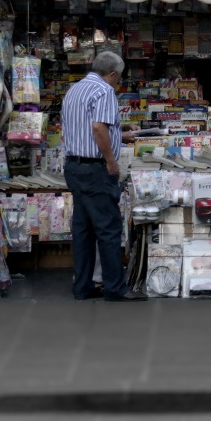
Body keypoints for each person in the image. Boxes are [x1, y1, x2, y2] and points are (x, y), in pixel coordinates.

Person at [61, 51, 145, 301]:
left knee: (83, 229)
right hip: (95, 169)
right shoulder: (104, 90)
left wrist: (121, 132)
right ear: (111, 74)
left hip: (74, 167)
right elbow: (98, 127)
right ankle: (115, 288)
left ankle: (83, 286)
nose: (117, 83)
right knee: (108, 228)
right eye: (118, 79)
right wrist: (111, 162)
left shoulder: (74, 89)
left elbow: (87, 127)